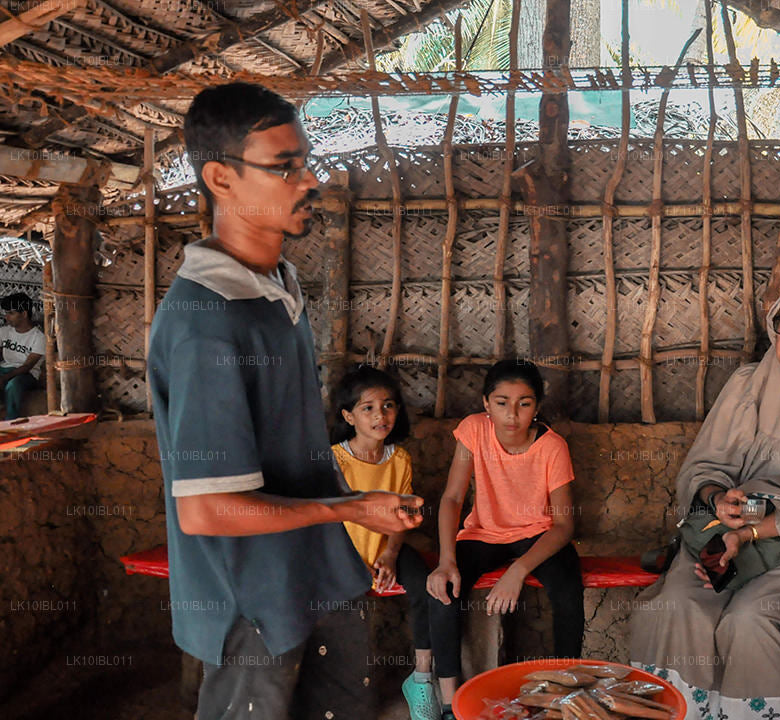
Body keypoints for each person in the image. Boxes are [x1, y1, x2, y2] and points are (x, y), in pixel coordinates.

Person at [150, 81, 424, 720]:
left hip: (315, 577)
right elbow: (208, 510)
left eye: (305, 162)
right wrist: (350, 508)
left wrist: (343, 519)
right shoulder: (206, 322)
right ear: (220, 178)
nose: (308, 181)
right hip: (252, 600)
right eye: (284, 168)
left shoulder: (277, 286)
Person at [630, 283, 780, 720]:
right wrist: (718, 498)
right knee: (681, 607)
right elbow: (703, 466)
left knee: (749, 620)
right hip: (726, 536)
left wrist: (749, 531)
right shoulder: (747, 382)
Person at [426, 359, 583, 720]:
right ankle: (450, 703)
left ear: (537, 407)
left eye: (524, 403)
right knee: (442, 590)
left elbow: (563, 526)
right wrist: (446, 560)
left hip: (538, 536)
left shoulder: (552, 447)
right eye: (501, 402)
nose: (512, 414)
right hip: (483, 534)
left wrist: (518, 570)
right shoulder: (473, 431)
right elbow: (451, 498)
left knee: (568, 590)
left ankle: (563, 695)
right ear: (485, 403)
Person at [330, 365, 439, 720]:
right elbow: (328, 521)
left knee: (427, 587)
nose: (381, 415)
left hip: (385, 547)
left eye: (388, 405)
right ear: (349, 416)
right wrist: (353, 561)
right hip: (343, 551)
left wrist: (391, 554)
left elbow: (402, 515)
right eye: (368, 408)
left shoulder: (400, 459)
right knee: (345, 602)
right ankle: (346, 685)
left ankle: (422, 677)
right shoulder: (335, 459)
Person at [0, 292, 45, 419]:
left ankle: (11, 420)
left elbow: (27, 366)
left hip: (27, 375)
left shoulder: (39, 338)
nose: (7, 317)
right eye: (6, 313)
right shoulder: (4, 331)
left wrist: (4, 378)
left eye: (11, 313)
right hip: (5, 368)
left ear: (24, 314)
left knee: (13, 385)